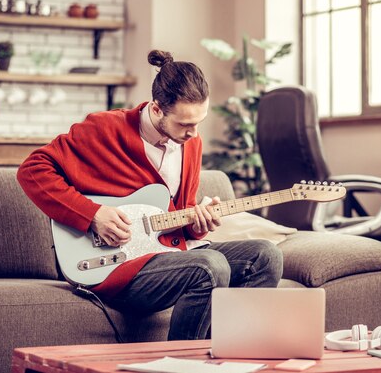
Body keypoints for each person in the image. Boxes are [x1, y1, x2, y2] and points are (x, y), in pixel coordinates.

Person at [17, 49, 283, 341]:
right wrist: (93, 215)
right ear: (157, 109)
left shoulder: (191, 144)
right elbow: (32, 170)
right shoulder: (104, 129)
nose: (194, 133)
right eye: (184, 124)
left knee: (266, 255)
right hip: (118, 267)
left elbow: (177, 216)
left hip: (170, 257)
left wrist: (195, 223)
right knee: (209, 265)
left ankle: (231, 354)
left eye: (199, 122)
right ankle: (181, 367)